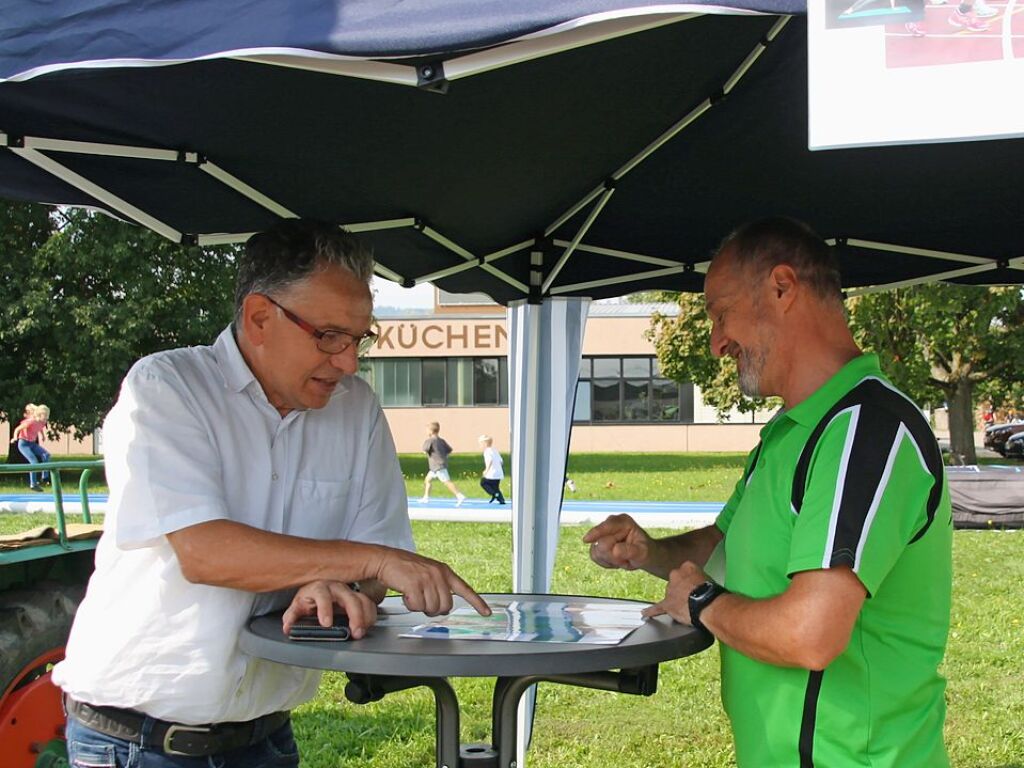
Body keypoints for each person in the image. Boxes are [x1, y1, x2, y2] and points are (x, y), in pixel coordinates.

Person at [53, 219, 490, 768]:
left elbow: (376, 567)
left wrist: (339, 584)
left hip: (266, 737)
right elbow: (204, 551)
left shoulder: (355, 410)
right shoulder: (167, 388)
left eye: (359, 339)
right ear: (260, 317)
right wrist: (370, 560)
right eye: (330, 336)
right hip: (137, 740)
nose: (349, 362)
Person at [584, 217, 952, 768]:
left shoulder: (866, 430)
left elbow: (811, 635)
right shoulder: (793, 431)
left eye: (720, 313)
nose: (716, 342)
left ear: (782, 287)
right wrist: (652, 553)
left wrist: (703, 602)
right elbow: (728, 544)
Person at [419, 421, 466, 506]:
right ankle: (426, 497)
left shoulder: (430, 441)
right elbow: (449, 450)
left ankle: (459, 495)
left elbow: (424, 450)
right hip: (435, 467)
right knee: (427, 480)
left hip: (437, 466)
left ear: (430, 431)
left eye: (427, 430)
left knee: (446, 481)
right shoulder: (441, 440)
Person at [11, 403, 51, 491]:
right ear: (39, 415)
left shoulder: (42, 422)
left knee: (46, 455)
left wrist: (43, 436)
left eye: (47, 417)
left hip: (32, 444)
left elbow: (39, 428)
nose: (45, 419)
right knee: (34, 461)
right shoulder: (31, 421)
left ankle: (45, 477)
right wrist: (14, 437)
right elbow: (17, 429)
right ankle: (33, 484)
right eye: (44, 417)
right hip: (23, 444)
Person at [478, 434, 505, 504]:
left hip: (492, 473)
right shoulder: (495, 450)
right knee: (495, 487)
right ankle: (501, 499)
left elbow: (490, 461)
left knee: (483, 483)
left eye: (481, 444)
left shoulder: (487, 451)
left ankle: (494, 494)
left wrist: (486, 470)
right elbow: (501, 461)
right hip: (498, 473)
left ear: (485, 444)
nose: (480, 445)